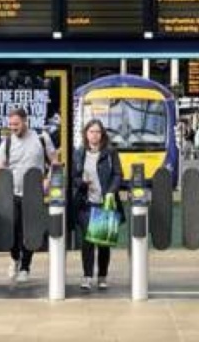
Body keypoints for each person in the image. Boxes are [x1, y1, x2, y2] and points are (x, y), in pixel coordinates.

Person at [0, 108, 57, 284]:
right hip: (12, 193)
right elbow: (0, 164)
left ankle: (25, 267)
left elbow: (55, 162)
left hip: (34, 193)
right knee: (12, 228)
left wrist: (48, 180)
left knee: (29, 231)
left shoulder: (41, 138)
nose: (13, 128)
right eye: (11, 124)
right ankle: (14, 258)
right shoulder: (7, 142)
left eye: (16, 124)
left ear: (25, 121)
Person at [72, 119, 123, 291]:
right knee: (87, 241)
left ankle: (102, 276)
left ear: (102, 135)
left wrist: (111, 191)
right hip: (86, 203)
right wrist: (81, 183)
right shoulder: (79, 153)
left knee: (103, 242)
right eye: (91, 131)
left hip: (104, 203)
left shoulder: (110, 153)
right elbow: (73, 176)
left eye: (98, 132)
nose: (94, 135)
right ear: (86, 134)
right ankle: (87, 276)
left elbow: (118, 174)